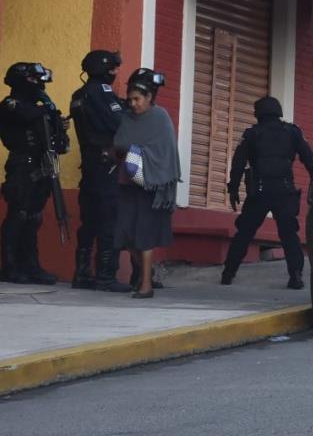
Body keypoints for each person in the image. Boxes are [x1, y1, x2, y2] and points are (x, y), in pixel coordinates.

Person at [221, 96, 313, 289]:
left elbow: (238, 163)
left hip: (260, 191)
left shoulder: (252, 134)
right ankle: (296, 275)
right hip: (284, 190)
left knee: (245, 233)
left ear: (258, 114)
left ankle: (228, 273)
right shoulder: (292, 132)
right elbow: (308, 158)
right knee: (289, 234)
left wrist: (233, 188)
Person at [0, 62, 69, 285]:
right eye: (33, 80)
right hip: (22, 166)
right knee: (18, 214)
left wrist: (57, 124)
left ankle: (31, 266)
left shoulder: (40, 107)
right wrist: (48, 110)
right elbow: (27, 114)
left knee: (34, 217)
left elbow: (57, 140)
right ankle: (10, 266)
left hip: (42, 166)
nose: (38, 85)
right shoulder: (11, 103)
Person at [113, 68, 180, 299]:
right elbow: (120, 142)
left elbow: (165, 152)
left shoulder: (160, 118)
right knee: (125, 233)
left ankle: (145, 286)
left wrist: (140, 154)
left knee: (144, 234)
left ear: (149, 98)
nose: (133, 104)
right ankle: (144, 273)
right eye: (130, 99)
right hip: (127, 183)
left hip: (152, 185)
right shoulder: (127, 119)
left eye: (137, 99)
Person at [68, 50, 132, 292]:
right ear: (103, 70)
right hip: (107, 165)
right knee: (108, 221)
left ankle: (81, 274)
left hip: (90, 165)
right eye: (113, 68)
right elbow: (121, 123)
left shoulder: (78, 95)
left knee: (90, 221)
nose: (116, 73)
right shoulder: (102, 93)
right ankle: (105, 276)